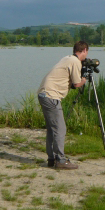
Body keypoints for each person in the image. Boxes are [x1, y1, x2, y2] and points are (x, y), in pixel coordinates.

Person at [37, 41, 89, 170]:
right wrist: (83, 80)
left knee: (52, 129)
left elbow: (68, 81)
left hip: (44, 94)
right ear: (84, 50)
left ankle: (51, 158)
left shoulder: (67, 58)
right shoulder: (75, 62)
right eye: (86, 53)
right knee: (60, 129)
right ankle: (60, 160)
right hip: (51, 96)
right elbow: (77, 84)